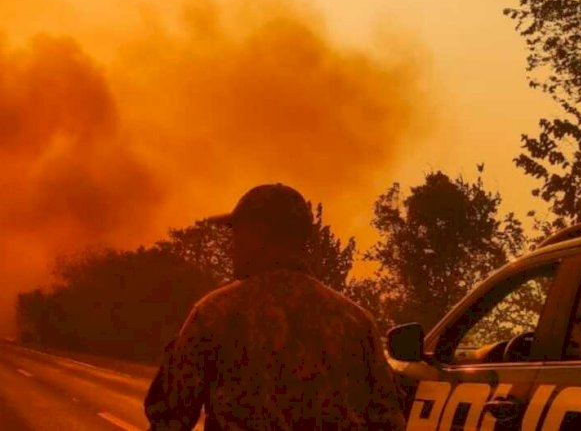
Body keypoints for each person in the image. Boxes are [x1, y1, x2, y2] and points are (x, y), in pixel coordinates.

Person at [144, 183, 406, 431]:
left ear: (259, 236)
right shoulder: (356, 322)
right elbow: (388, 421)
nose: (231, 247)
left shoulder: (215, 313)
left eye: (237, 233)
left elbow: (170, 418)